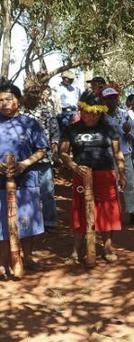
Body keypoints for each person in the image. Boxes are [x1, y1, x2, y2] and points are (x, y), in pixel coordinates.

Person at [59, 90, 126, 263]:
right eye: (88, 113)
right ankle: (76, 249)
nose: (92, 117)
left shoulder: (109, 128)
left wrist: (122, 173)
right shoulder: (71, 129)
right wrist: (74, 166)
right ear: (81, 110)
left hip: (105, 174)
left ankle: (107, 246)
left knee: (107, 209)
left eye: (96, 113)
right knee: (80, 210)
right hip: (81, 175)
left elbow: (118, 153)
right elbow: (63, 153)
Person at [0, 83, 48, 277]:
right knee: (2, 223)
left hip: (26, 179)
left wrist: (24, 164)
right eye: (0, 100)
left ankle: (27, 257)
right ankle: (3, 262)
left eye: (8, 99)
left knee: (26, 221)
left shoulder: (30, 123)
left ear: (18, 101)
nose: (3, 103)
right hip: (0, 181)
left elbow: (42, 149)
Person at [102, 87, 134, 226]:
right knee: (109, 185)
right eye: (108, 98)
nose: (111, 101)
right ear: (103, 100)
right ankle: (111, 214)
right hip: (106, 155)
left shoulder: (125, 115)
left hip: (124, 153)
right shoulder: (100, 116)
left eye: (113, 97)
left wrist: (127, 133)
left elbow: (133, 133)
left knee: (129, 183)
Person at [22, 81, 60, 231]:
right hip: (25, 159)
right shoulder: (20, 112)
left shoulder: (47, 110)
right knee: (28, 191)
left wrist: (55, 151)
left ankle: (49, 221)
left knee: (47, 191)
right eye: (30, 92)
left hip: (44, 157)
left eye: (36, 92)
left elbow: (54, 132)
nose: (33, 95)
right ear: (25, 92)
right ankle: (29, 223)